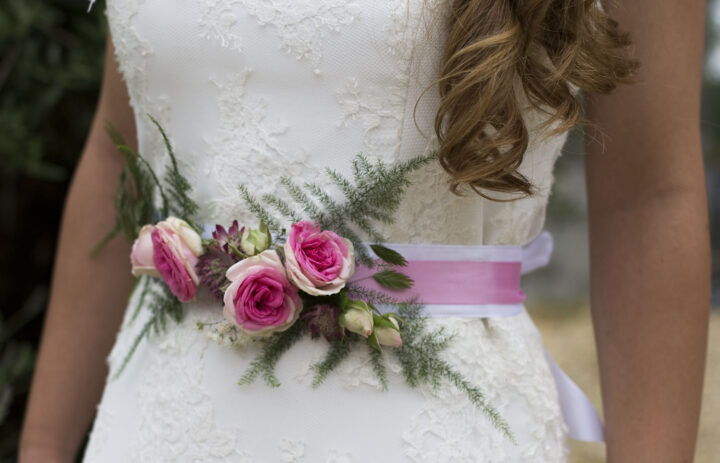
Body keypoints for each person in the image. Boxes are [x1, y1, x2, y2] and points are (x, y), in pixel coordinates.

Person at [19, 1, 710, 462]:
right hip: (154, 426)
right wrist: (44, 448)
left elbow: (651, 199)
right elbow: (123, 153)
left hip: (436, 431)